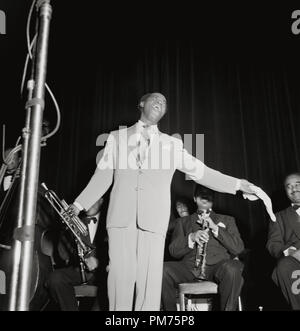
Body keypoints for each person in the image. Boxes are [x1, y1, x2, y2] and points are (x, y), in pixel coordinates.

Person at [69, 92, 256, 311]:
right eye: (155, 99)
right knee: (119, 279)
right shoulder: (116, 138)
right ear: (141, 104)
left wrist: (236, 184)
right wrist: (77, 205)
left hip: (153, 221)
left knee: (150, 284)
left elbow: (201, 172)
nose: (160, 103)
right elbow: (101, 177)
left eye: (165, 103)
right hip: (121, 218)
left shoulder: (171, 145)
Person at [161, 184, 245, 311]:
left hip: (218, 266)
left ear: (213, 199)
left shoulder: (227, 220)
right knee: (163, 270)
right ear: (195, 199)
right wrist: (191, 237)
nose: (205, 198)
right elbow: (173, 251)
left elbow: (238, 248)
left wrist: (215, 228)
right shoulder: (182, 222)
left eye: (208, 196)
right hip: (189, 268)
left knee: (233, 268)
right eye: (201, 195)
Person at [46, 198, 104, 311]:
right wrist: (65, 228)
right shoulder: (76, 221)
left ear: (101, 200)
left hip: (102, 273)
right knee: (55, 278)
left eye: (93, 198)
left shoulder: (109, 221)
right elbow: (63, 255)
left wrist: (99, 261)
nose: (89, 203)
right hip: (79, 271)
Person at [266, 172, 300, 310]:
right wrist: (293, 253)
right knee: (284, 265)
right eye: (289, 186)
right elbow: (273, 245)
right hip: (295, 263)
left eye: (297, 184)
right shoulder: (278, 217)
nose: (294, 189)